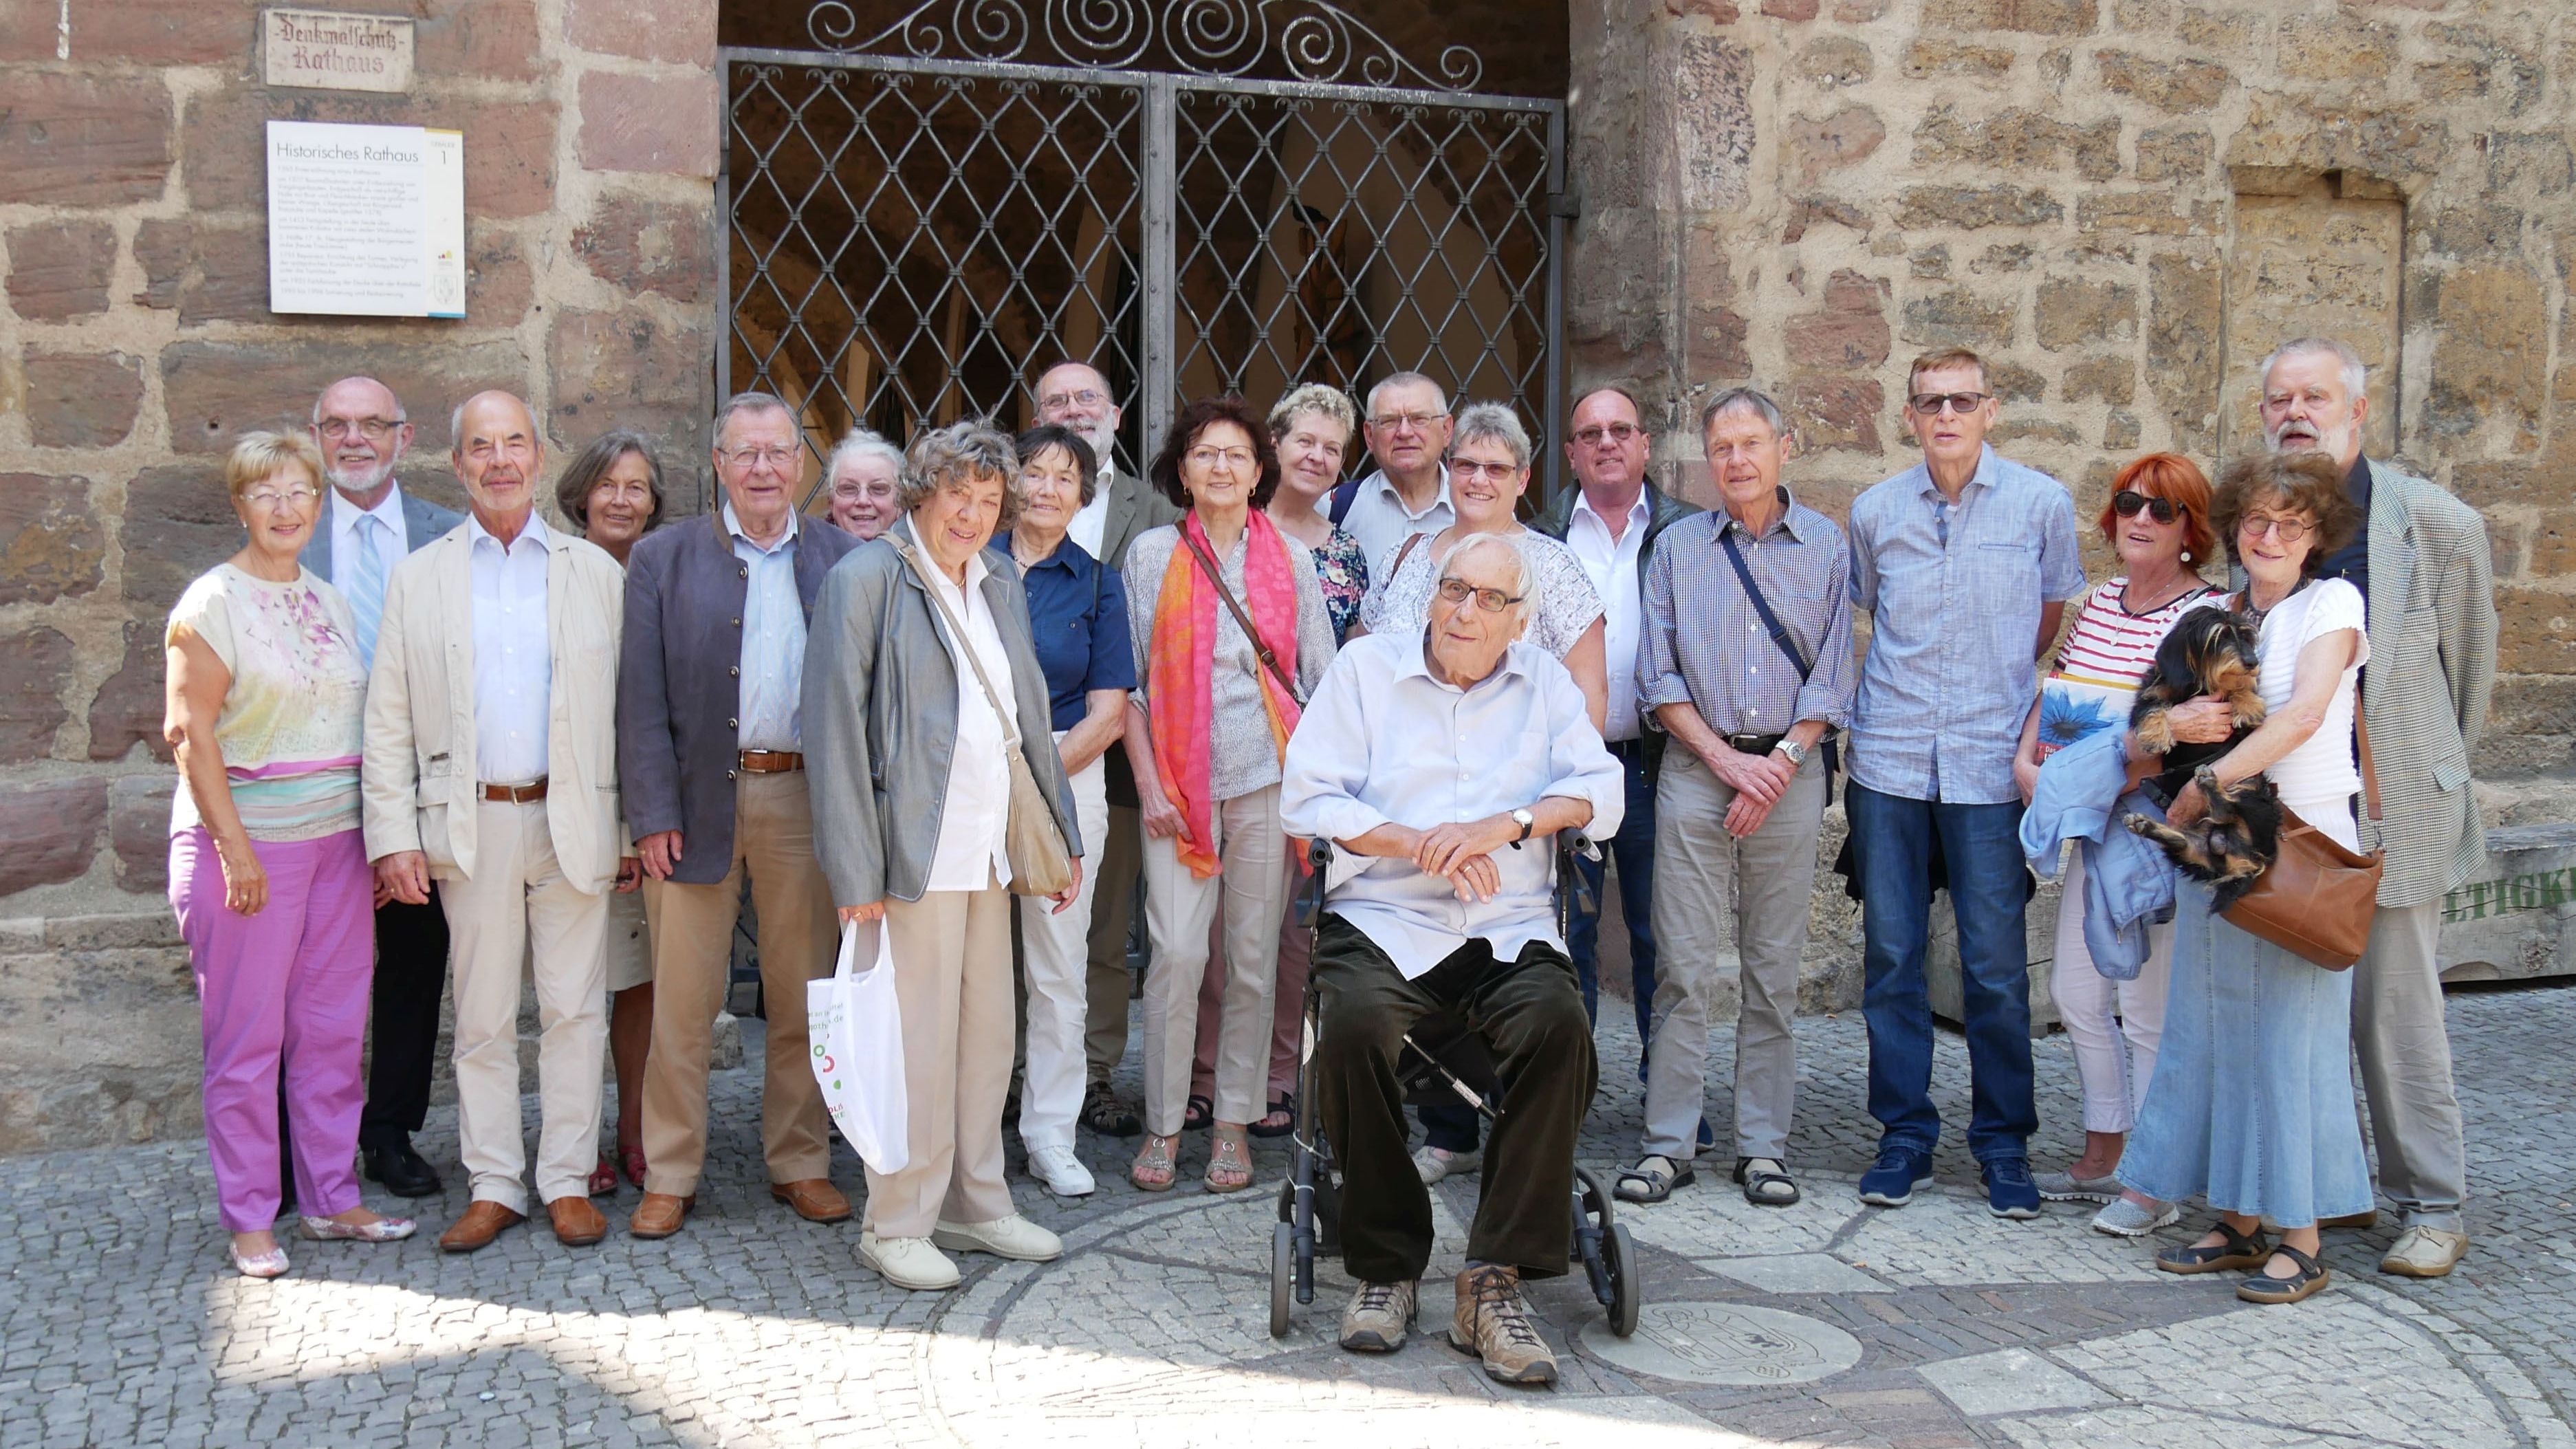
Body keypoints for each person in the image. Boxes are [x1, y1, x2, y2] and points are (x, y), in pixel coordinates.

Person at [1279, 532, 1622, 1386]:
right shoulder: (1366, 674)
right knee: (1352, 1026)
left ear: (1520, 619)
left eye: (1487, 599)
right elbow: (1306, 795)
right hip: (1383, 914)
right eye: (1451, 589)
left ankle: (1491, 1278)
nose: (1462, 612)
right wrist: (1418, 842)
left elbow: (1602, 791)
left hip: (1504, 921)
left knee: (1558, 1027)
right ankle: (1386, 1265)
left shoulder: (1542, 682)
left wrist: (1503, 826)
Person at [805, 420, 1083, 1292]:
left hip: (988, 850)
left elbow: (1029, 715)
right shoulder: (866, 579)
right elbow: (834, 731)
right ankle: (895, 1221)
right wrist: (855, 872)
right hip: (909, 856)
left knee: (982, 1039)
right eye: (957, 494)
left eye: (988, 499)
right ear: (922, 493)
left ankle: (975, 1201)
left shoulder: (996, 576)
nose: (971, 513)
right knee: (913, 1045)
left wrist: (1063, 840)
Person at [362, 391, 631, 1253]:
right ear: (457, 464)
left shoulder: (593, 572)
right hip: (468, 824)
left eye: (514, 442)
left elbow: (632, 712)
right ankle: (493, 1183)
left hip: (574, 820)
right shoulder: (423, 575)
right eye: (482, 446)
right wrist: (392, 835)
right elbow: (389, 716)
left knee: (574, 1010)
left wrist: (630, 828)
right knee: (478, 1018)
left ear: (540, 455)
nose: (500, 459)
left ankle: (563, 1179)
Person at [2259, 336, 2496, 1279]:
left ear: (2357, 411)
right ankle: (2335, 1181)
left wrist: (2418, 763)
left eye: (2313, 395)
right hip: (2302, 806)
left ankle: (2431, 1201)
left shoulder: (2435, 523)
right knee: (2307, 1005)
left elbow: (2467, 676)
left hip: (2394, 797)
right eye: (2278, 397)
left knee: (2394, 1013)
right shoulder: (2269, 520)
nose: (2293, 410)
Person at [2117, 450, 2371, 1306]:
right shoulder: (2213, 613)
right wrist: (2173, 735)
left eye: (2288, 524)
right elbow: (2148, 729)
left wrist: (2202, 785)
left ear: (2315, 538)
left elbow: (2301, 714)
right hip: (2213, 855)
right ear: (2231, 529)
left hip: (2295, 847)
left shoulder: (2332, 603)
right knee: (2215, 1033)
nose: (2268, 536)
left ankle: (2300, 1235)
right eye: (2254, 521)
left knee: (2289, 1045)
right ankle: (2235, 1220)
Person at [167, 431, 415, 1278]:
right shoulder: (211, 603)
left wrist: (373, 842)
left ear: (318, 504)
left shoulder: (328, 599)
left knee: (333, 1033)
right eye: (265, 492)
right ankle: (248, 1219)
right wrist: (233, 851)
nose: (284, 507)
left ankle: (332, 1200)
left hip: (336, 847)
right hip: (248, 848)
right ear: (240, 505)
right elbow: (188, 732)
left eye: (299, 491)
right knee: (246, 1040)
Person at [1846, 347, 2085, 1219]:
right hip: (1891, 761)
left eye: (1960, 400)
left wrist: (2006, 709)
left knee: (1991, 967)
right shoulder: (1874, 513)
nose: (1943, 415)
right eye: (1926, 402)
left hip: (1989, 763)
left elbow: (2052, 620)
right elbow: (1868, 612)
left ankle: (2001, 1143)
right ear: (1906, 416)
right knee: (1891, 958)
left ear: (1989, 409)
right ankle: (1902, 1133)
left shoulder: (2038, 505)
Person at [618, 393, 860, 1241]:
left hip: (804, 798)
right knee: (684, 1003)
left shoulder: (843, 557)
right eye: (744, 453)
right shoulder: (663, 558)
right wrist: (649, 812)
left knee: (801, 994)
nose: (762, 468)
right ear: (717, 464)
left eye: (777, 452)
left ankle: (799, 1160)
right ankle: (671, 1170)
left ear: (801, 464)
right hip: (693, 802)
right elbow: (638, 700)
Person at [1353, 401, 1607, 1184]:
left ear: (1523, 478)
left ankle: (1534, 1133)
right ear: (1446, 469)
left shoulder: (1552, 566)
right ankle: (1449, 1126)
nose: (1477, 479)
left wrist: (1553, 805)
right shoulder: (1412, 557)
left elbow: (1587, 686)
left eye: (1496, 468)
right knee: (1430, 961)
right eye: (1465, 465)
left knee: (1540, 969)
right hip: (1419, 812)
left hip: (1519, 816)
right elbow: (1368, 663)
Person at [1619, 388, 1855, 1209]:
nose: (1736, 461)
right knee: (1681, 968)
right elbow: (1657, 676)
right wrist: (1725, 760)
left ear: (1783, 446)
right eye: (1721, 448)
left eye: (1750, 443)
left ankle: (1762, 1147)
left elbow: (1833, 672)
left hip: (1787, 778)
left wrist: (1779, 763)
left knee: (1772, 973)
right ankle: (1667, 1144)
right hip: (1695, 771)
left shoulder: (1826, 546)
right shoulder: (1677, 549)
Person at [1122, 396, 1335, 1193]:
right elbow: (1131, 688)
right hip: (1175, 786)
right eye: (1205, 454)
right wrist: (1146, 783)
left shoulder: (1291, 560)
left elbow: (1316, 682)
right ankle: (1166, 1123)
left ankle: (1235, 1123)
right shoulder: (1149, 556)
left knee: (1250, 958)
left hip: (1264, 784)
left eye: (1236, 456)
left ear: (1258, 471)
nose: (1220, 467)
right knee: (1175, 956)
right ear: (1182, 470)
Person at [2000, 453, 2217, 1219]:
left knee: (2146, 1006)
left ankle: (2152, 1178)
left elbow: (2189, 738)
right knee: (2074, 992)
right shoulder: (2096, 603)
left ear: (2191, 530)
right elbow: (2060, 691)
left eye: (2162, 510)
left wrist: (2086, 776)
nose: (2140, 519)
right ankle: (2105, 1143)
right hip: (2087, 822)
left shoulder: (2206, 617)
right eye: (2129, 502)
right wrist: (2029, 759)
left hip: (2151, 827)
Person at [1182, 382, 1368, 1141]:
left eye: (1333, 447)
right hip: (1215, 759)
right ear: (1273, 452)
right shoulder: (1216, 540)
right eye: (1305, 441)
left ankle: (1276, 1077)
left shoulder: (1344, 553)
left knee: (1288, 940)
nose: (1317, 456)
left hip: (1296, 762)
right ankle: (1203, 1076)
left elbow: (1338, 673)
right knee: (1209, 937)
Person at [303, 375, 460, 1201]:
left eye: (372, 425)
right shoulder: (287, 534)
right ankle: (304, 1143)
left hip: (417, 791)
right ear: (317, 436)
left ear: (404, 437)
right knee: (313, 977)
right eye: (337, 425)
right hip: (315, 793)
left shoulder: (447, 534)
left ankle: (389, 1132)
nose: (354, 439)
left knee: (411, 964)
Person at [1032, 359, 1182, 1139]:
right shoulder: (1008, 514)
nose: (1072, 410)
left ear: (1115, 415)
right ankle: (1020, 1070)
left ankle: (1091, 1071)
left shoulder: (1152, 508)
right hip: (1032, 744)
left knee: (1100, 918)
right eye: (1056, 401)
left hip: (1125, 756)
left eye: (1085, 399)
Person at [1530, 384, 1701, 1047]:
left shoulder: (1687, 530)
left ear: (1645, 444)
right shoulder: (1539, 538)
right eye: (1592, 433)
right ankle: (1566, 1098)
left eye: (1621, 430)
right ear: (1570, 452)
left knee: (1662, 933)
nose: (1608, 442)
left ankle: (1667, 1102)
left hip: (1657, 764)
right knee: (1563, 932)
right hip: (1563, 767)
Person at [1006, 423, 1138, 1199]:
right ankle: (966, 1133)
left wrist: (1032, 777)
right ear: (1009, 481)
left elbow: (1110, 712)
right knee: (970, 969)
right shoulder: (969, 563)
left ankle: (1050, 1135)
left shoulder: (1095, 582)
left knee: (1057, 968)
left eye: (1066, 477)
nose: (1048, 487)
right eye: (1034, 471)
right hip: (968, 778)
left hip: (1064, 777)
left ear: (1083, 496)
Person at [555, 429, 667, 1195]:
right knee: (573, 986)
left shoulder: (665, 574)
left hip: (650, 814)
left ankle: (637, 1128)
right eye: (609, 485)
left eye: (637, 487)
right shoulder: (554, 577)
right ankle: (575, 1136)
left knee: (640, 982)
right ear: (581, 496)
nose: (622, 499)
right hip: (573, 807)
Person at [1331, 371, 1456, 573]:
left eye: (1419, 419)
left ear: (1447, 430)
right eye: (1389, 421)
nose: (1405, 432)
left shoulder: (1477, 508)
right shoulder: (1336, 508)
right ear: (1369, 436)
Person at [824, 429, 904, 541]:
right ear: (831, 502)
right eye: (849, 489)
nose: (863, 501)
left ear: (900, 502)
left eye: (878, 489)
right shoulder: (810, 554)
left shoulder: (923, 555)